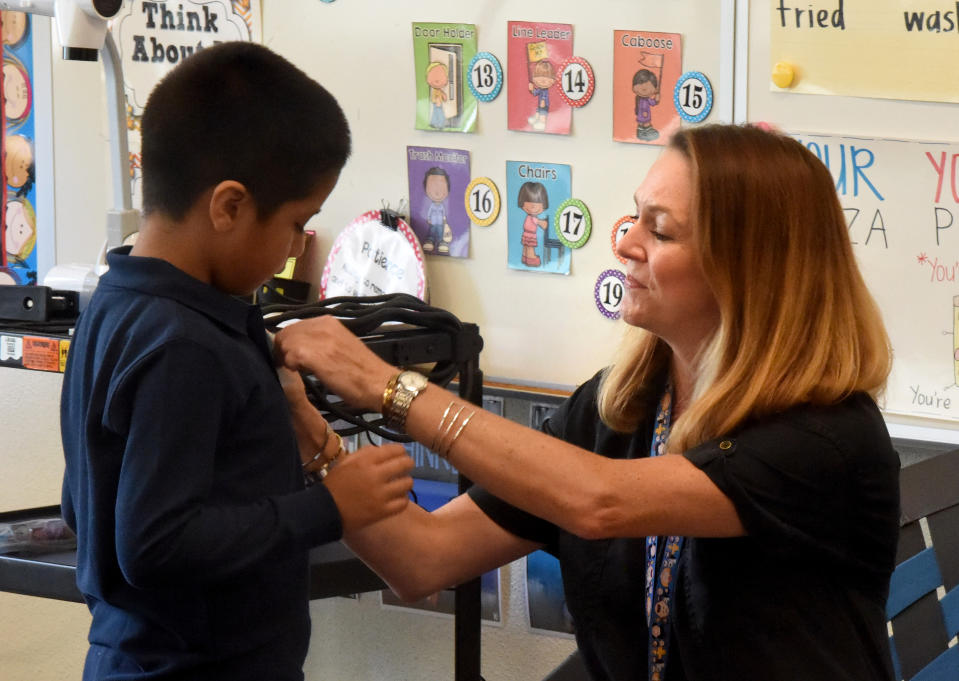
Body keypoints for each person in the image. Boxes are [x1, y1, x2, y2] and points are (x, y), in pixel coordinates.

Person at [274, 123, 900, 681]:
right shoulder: (614, 407)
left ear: (752, 269)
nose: (624, 245)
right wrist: (316, 444)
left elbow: (600, 502)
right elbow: (422, 558)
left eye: (660, 231)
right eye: (634, 219)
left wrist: (391, 389)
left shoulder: (826, 440)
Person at [60, 42, 414, 681]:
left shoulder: (115, 307)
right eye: (296, 223)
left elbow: (81, 506)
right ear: (227, 206)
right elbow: (154, 544)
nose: (297, 245)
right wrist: (329, 506)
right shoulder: (184, 344)